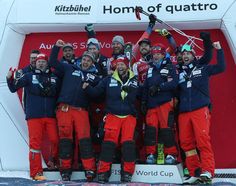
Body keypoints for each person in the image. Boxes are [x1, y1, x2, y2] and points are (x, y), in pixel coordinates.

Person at [48, 39, 100, 181]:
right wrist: (56, 47)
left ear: (92, 63)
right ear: (80, 59)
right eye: (84, 59)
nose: (85, 62)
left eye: (89, 60)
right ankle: (65, 169)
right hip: (64, 109)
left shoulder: (95, 77)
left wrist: (88, 88)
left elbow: (98, 95)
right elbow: (52, 62)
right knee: (65, 140)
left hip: (81, 111)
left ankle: (89, 169)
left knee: (85, 140)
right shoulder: (69, 68)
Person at [82, 56, 139, 183]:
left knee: (128, 146)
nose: (120, 67)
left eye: (122, 64)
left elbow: (140, 96)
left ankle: (127, 173)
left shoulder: (134, 80)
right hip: (112, 116)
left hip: (129, 117)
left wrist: (131, 91)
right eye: (118, 64)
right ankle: (103, 173)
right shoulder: (108, 79)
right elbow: (96, 93)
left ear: (127, 66)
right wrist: (87, 88)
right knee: (108, 145)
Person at [6, 53, 60, 181]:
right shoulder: (29, 76)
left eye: (43, 61)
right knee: (35, 145)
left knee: (55, 140)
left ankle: (53, 162)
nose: (40, 63)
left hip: (51, 116)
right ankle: (36, 172)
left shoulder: (54, 77)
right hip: (34, 116)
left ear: (47, 63)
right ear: (35, 64)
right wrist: (9, 79)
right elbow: (14, 88)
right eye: (38, 61)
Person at [178, 41, 226, 184]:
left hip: (200, 110)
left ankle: (208, 171)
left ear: (193, 55)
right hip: (184, 113)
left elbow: (221, 67)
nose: (185, 56)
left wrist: (219, 50)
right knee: (187, 144)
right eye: (183, 54)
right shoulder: (179, 72)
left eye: (188, 53)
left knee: (202, 140)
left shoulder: (202, 68)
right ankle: (195, 172)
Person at [141, 43, 179, 165]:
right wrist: (143, 101)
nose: (156, 56)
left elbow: (174, 83)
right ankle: (150, 154)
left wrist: (159, 87)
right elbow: (146, 87)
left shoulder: (170, 67)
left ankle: (171, 154)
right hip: (152, 105)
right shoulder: (150, 68)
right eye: (154, 54)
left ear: (163, 55)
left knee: (166, 129)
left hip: (165, 103)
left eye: (158, 54)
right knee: (150, 130)